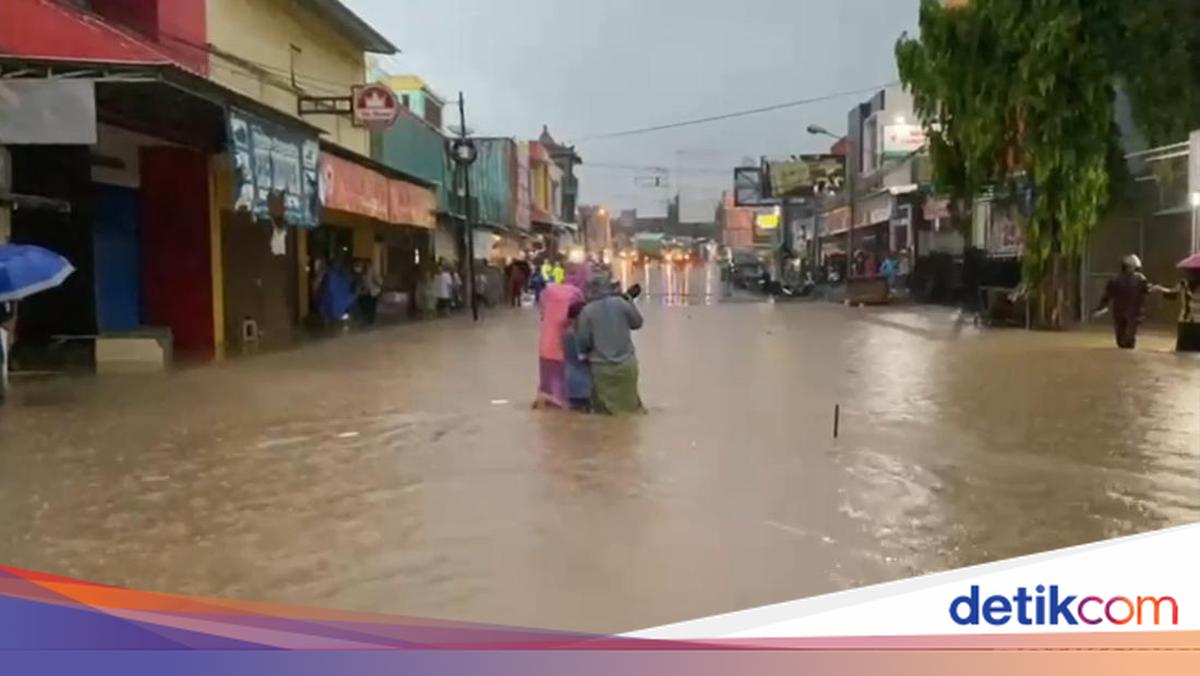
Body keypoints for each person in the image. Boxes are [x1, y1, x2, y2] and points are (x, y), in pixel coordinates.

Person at [576, 275, 645, 415]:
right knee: (631, 410)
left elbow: (583, 340)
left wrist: (582, 355)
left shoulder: (587, 311)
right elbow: (637, 323)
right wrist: (629, 301)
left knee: (604, 414)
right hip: (627, 366)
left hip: (601, 369)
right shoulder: (621, 303)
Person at [1093, 254, 1172, 349]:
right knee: (1122, 338)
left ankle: (1127, 355)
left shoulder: (1137, 279)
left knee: (1127, 337)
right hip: (1126, 312)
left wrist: (1163, 290)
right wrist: (1101, 308)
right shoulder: (1119, 279)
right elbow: (1107, 296)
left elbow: (1148, 288)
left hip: (1130, 313)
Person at [534, 271, 585, 409]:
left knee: (547, 382)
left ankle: (544, 399)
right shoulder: (577, 293)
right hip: (563, 345)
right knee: (563, 390)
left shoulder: (548, 291)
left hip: (545, 343)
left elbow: (542, 312)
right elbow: (579, 317)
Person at [563, 301, 592, 412]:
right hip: (582, 386)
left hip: (571, 384)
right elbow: (582, 357)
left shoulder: (567, 332)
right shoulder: (576, 334)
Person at [354, 259, 383, 325]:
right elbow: (359, 283)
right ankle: (367, 320)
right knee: (365, 306)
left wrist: (378, 283)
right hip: (365, 292)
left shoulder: (371, 270)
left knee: (371, 308)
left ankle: (370, 321)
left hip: (372, 292)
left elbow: (378, 280)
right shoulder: (360, 273)